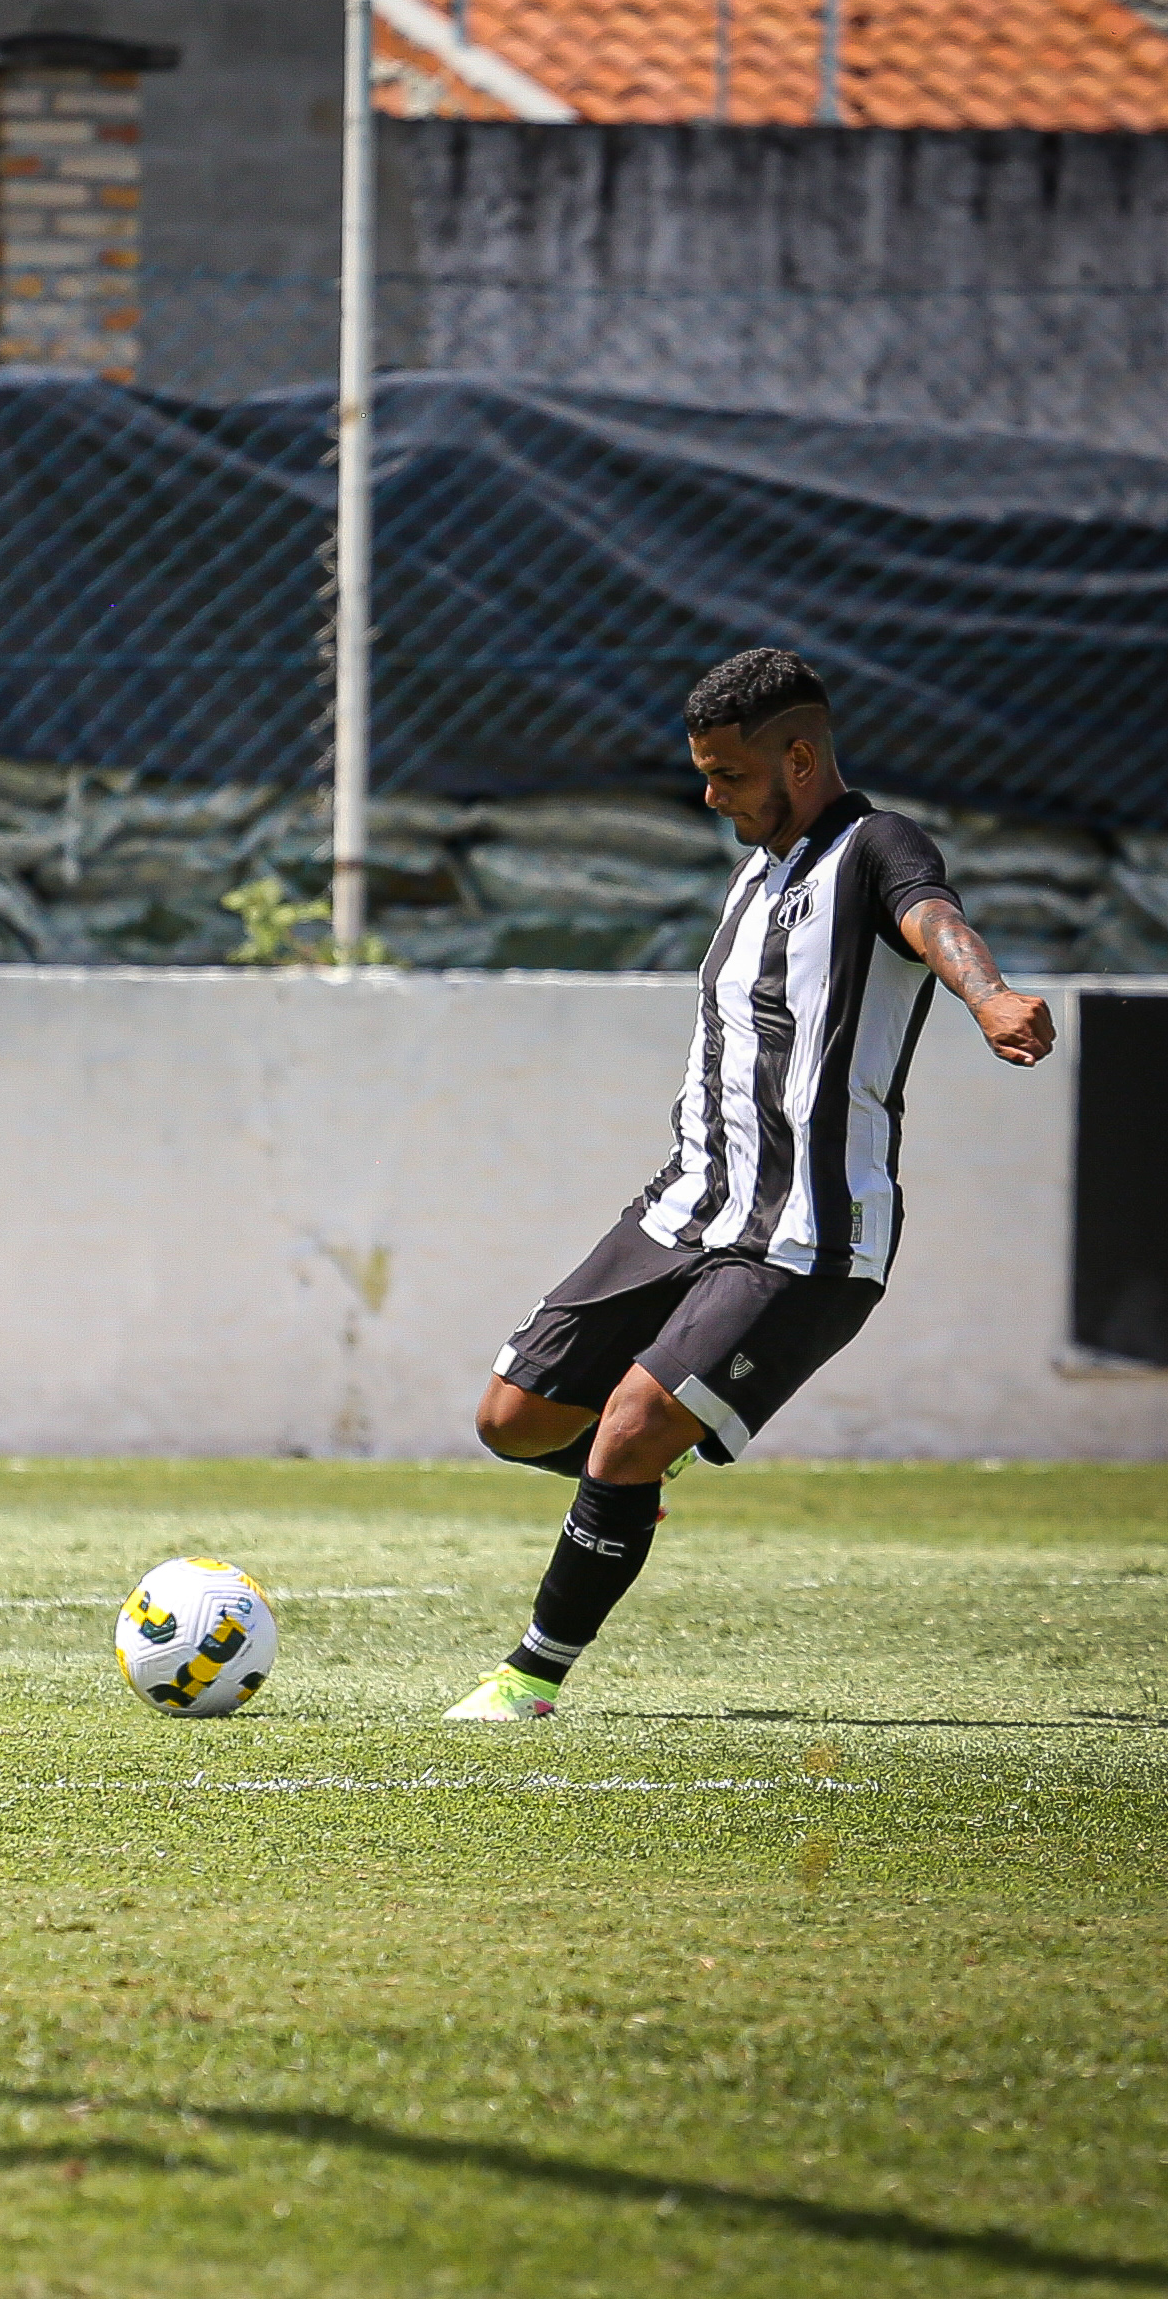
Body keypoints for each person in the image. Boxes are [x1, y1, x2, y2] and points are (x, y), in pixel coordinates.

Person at [447, 647, 1055, 1721]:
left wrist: (989, 993)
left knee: (632, 1424)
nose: (709, 792)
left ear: (802, 757)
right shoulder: (756, 868)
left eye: (727, 773)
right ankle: (635, 1482)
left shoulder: (877, 847)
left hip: (807, 1234)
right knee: (513, 1417)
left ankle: (528, 1677)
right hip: (688, 1202)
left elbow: (934, 919)